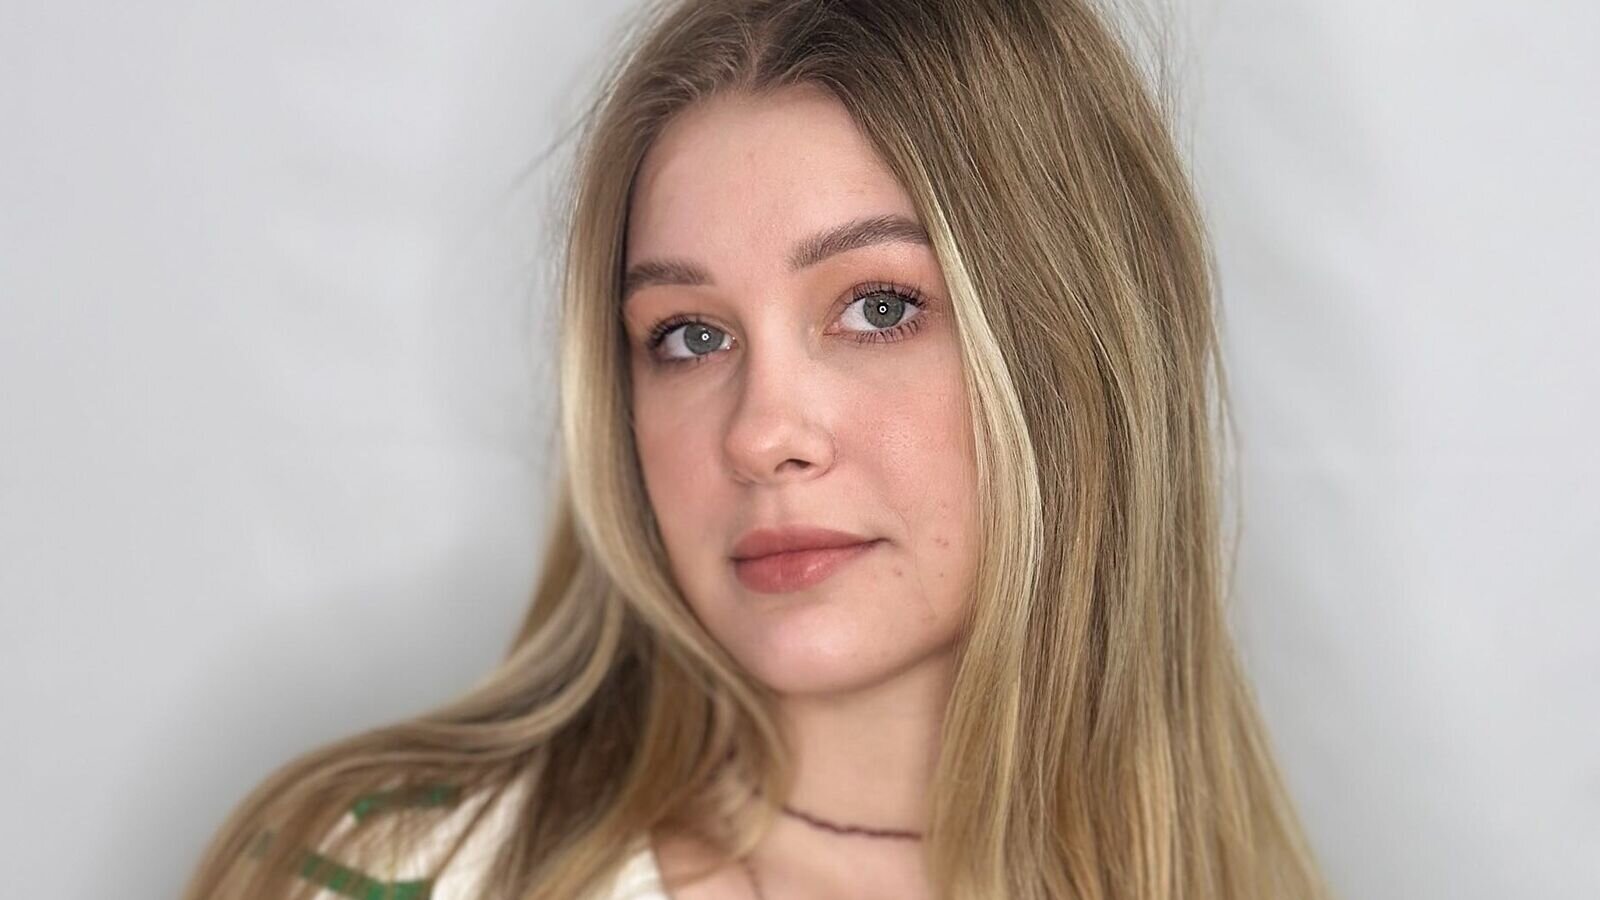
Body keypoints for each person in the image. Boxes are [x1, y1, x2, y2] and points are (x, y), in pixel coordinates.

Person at [184, 0, 1337, 898]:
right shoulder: (390, 872)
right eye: (689, 335)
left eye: (877, 308)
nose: (759, 434)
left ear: (1077, 353)